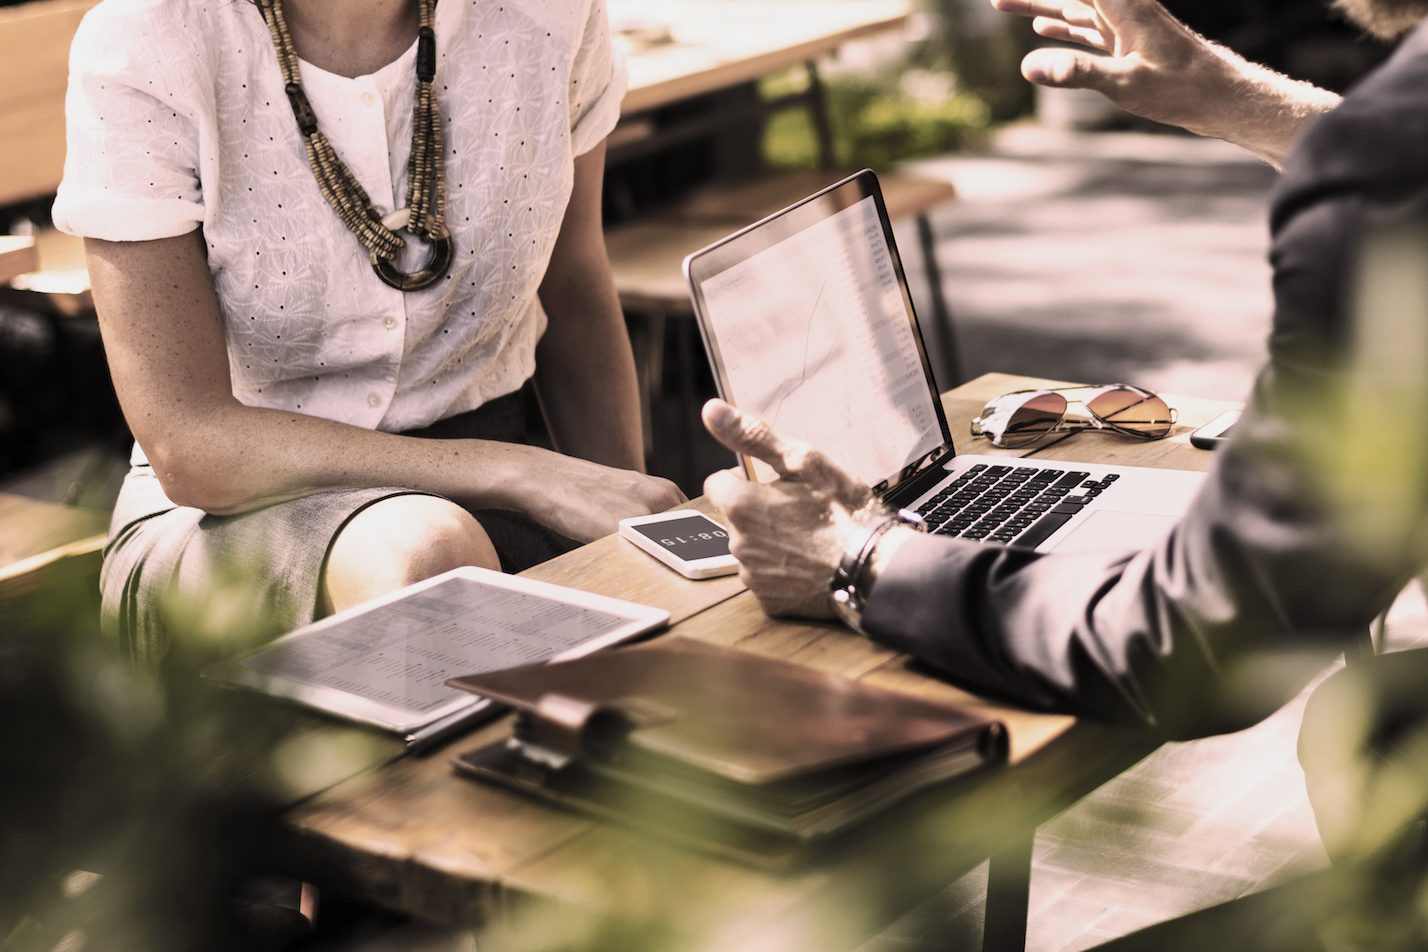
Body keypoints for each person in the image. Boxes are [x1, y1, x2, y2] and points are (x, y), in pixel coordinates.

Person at [704, 0, 1428, 735]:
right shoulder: (1394, 147)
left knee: (1362, 735)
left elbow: (1193, 644)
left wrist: (858, 555)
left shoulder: (1383, 174)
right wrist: (1233, 98)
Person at [52, 0, 685, 660]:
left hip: (507, 500)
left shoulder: (553, 13)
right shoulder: (148, 36)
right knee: (432, 556)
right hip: (233, 516)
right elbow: (190, 445)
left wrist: (625, 528)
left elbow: (575, 280)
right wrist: (518, 472)